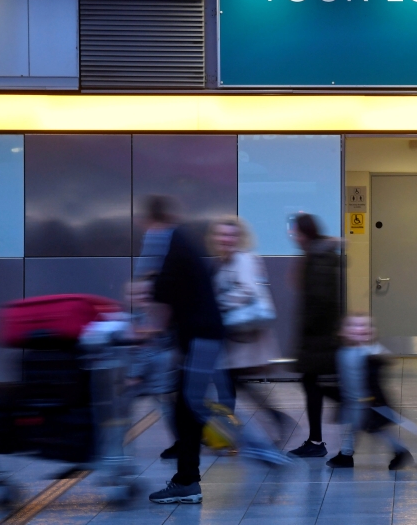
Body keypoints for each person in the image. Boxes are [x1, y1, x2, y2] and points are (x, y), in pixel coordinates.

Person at [146, 196, 232, 505]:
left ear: (153, 221)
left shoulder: (169, 241)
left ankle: (262, 453)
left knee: (191, 407)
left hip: (200, 337)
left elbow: (160, 292)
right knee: (187, 407)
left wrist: (147, 331)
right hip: (201, 336)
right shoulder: (182, 241)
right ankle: (187, 480)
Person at [208, 216, 291, 446]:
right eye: (222, 234)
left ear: (239, 238)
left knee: (231, 382)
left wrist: (219, 303)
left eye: (231, 235)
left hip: (245, 337)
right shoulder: (223, 262)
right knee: (235, 383)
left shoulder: (242, 260)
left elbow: (247, 290)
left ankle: (235, 432)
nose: (226, 239)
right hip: (236, 336)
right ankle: (270, 420)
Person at [125, 196, 179, 460]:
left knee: (140, 393)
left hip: (155, 331)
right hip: (166, 330)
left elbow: (146, 282)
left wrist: (139, 315)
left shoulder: (156, 237)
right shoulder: (172, 235)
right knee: (164, 395)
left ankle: (109, 449)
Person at [288, 213, 344, 458]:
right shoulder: (318, 254)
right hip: (320, 337)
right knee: (313, 385)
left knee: (317, 386)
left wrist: (307, 334)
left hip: (319, 338)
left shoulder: (318, 257)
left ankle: (318, 440)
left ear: (304, 233)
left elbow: (320, 302)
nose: (292, 236)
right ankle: (315, 439)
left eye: (295, 231)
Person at [327, 314, 412, 470]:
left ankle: (400, 450)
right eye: (353, 325)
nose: (359, 329)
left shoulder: (370, 351)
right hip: (349, 401)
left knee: (373, 429)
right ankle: (345, 455)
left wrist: (375, 356)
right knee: (352, 428)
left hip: (366, 402)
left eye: (365, 326)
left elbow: (383, 360)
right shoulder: (342, 351)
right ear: (341, 332)